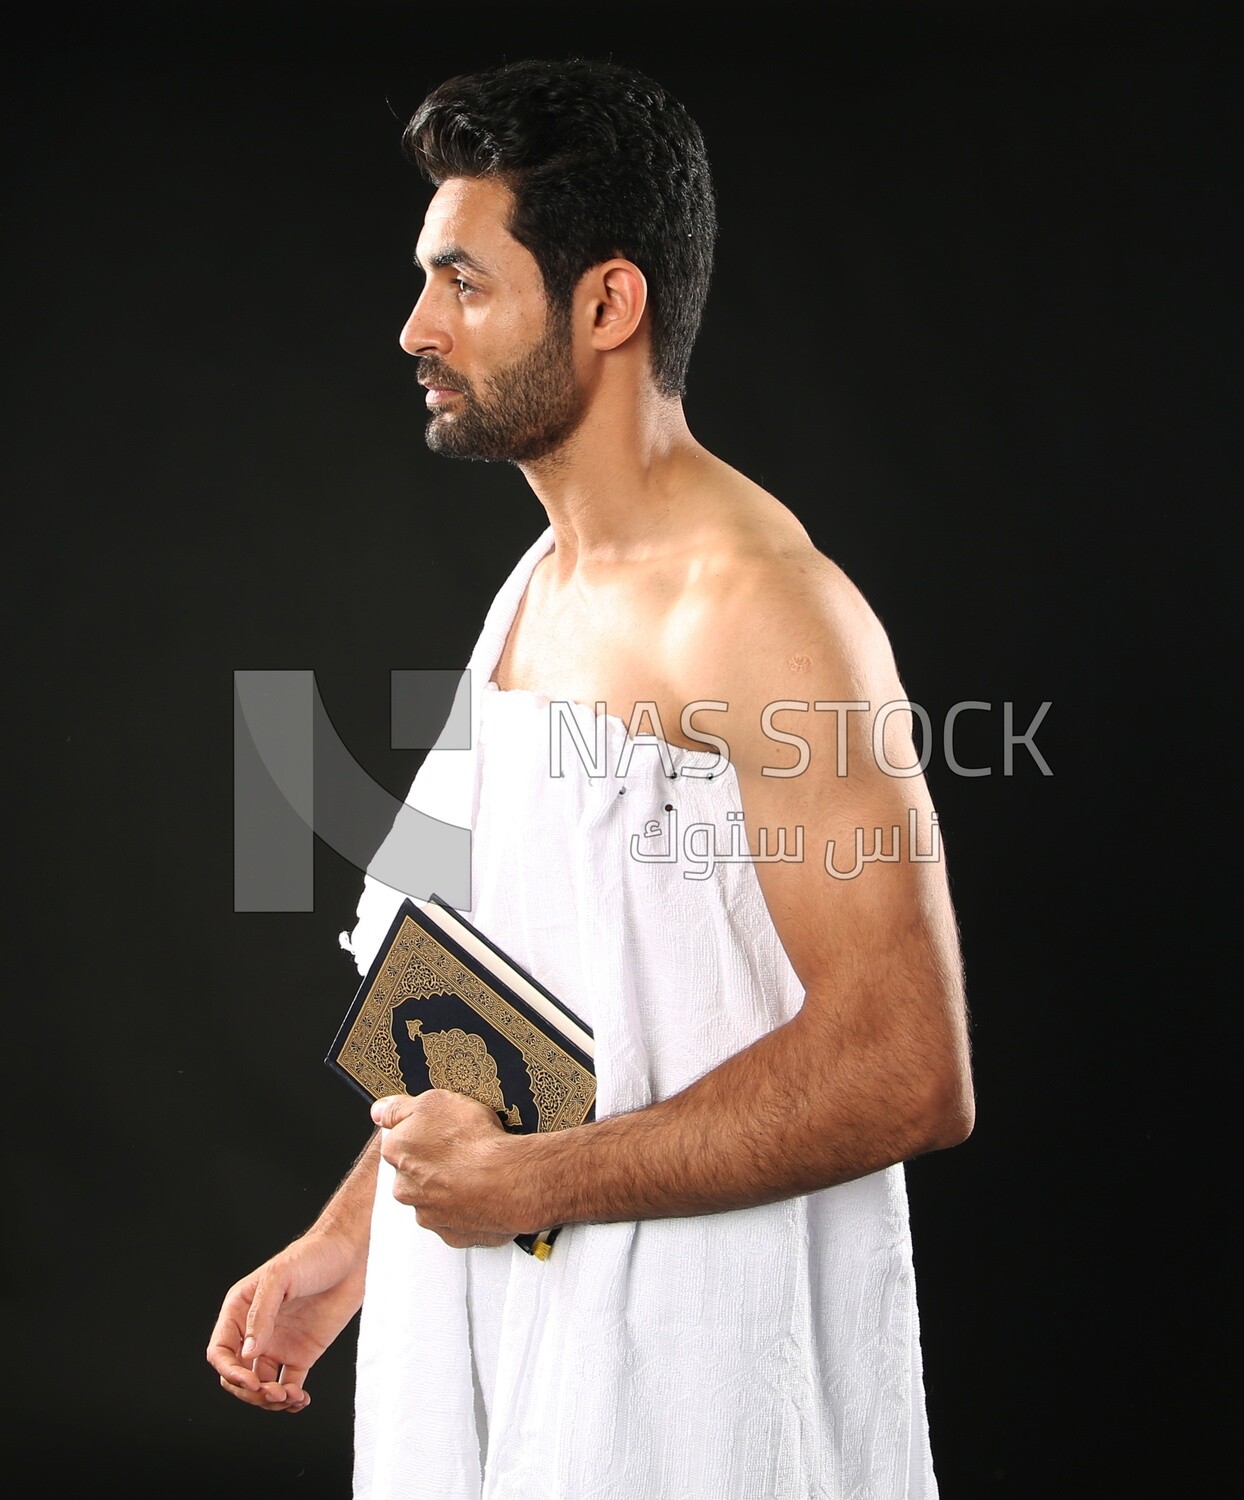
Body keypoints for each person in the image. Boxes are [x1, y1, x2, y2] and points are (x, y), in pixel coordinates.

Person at [208, 56, 975, 1499]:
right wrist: (347, 1244)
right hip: (508, 1351)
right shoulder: (536, 590)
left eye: (465, 284)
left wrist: (534, 1187)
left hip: (696, 1389)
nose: (415, 327)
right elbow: (496, 995)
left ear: (608, 305)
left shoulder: (763, 609)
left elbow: (907, 1071)